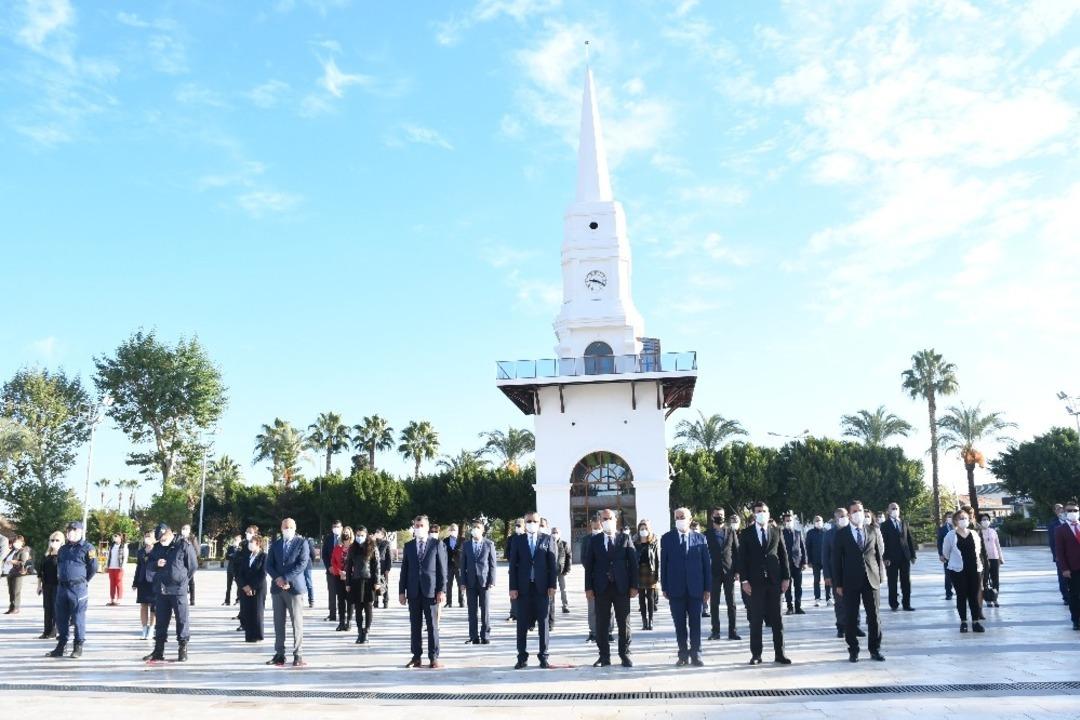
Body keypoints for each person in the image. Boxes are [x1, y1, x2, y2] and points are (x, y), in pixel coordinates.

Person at [738, 502, 791, 665]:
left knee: (777, 620)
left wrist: (786, 578)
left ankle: (780, 654)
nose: (762, 513)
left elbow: (783, 555)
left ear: (768, 513)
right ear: (754, 514)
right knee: (756, 620)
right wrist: (744, 580)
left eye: (764, 511)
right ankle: (756, 654)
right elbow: (742, 559)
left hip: (774, 581)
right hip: (755, 583)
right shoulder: (746, 533)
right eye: (758, 511)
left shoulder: (776, 531)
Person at [832, 500, 885, 662]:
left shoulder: (872, 530)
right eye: (854, 511)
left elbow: (877, 555)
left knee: (874, 616)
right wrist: (838, 584)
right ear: (849, 514)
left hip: (871, 579)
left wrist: (880, 576)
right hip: (850, 581)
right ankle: (853, 650)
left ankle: (874, 649)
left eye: (860, 510)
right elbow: (836, 561)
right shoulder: (841, 534)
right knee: (850, 616)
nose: (858, 513)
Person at [583, 508, 637, 668]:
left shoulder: (625, 538)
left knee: (624, 623)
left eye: (610, 518)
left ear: (616, 520)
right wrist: (588, 588)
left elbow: (633, 564)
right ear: (600, 521)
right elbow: (589, 566)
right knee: (602, 623)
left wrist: (634, 585)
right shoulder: (594, 541)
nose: (607, 521)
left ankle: (624, 654)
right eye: (604, 519)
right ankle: (604, 656)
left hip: (622, 588)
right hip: (601, 588)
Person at [661, 507, 711, 667]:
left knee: (695, 623)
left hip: (696, 589)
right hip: (676, 589)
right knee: (680, 625)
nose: (680, 519)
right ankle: (683, 655)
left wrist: (707, 588)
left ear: (690, 519)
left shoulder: (701, 538)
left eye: (683, 517)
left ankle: (696, 654)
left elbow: (706, 566)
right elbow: (664, 564)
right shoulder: (667, 538)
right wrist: (664, 586)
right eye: (677, 517)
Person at [508, 511, 557, 669]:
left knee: (543, 624)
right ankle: (522, 657)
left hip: (542, 588)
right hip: (523, 589)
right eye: (528, 521)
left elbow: (552, 566)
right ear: (524, 522)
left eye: (534, 521)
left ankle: (544, 656)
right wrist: (513, 587)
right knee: (522, 624)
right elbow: (513, 566)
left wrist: (552, 585)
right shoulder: (517, 540)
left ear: (539, 522)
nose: (531, 524)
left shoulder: (547, 539)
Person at [143, 523, 198, 662]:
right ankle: (158, 650)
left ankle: (183, 648)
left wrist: (182, 580)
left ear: (169, 533)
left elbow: (192, 566)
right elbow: (148, 565)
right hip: (161, 590)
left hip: (178, 590)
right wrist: (156, 564)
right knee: (161, 621)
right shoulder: (157, 548)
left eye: (163, 537)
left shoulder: (183, 545)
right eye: (159, 539)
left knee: (182, 619)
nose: (162, 540)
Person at [399, 515, 447, 668]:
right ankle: (416, 656)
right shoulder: (409, 546)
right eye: (416, 525)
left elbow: (442, 570)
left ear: (427, 527)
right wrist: (402, 591)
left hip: (431, 591)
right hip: (413, 592)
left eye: (421, 525)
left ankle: (433, 657)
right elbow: (404, 570)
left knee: (432, 625)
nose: (418, 528)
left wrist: (441, 590)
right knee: (415, 625)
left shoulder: (436, 544)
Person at [48, 520, 97, 659]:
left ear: (80, 532)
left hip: (78, 588)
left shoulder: (88, 548)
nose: (70, 532)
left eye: (74, 530)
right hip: (62, 588)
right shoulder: (63, 549)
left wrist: (83, 581)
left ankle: (78, 646)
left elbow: (93, 568)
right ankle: (61, 645)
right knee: (61, 618)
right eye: (69, 530)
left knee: (78, 618)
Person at [266, 518, 310, 667]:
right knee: (278, 623)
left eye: (290, 527)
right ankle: (279, 654)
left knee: (297, 623)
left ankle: (298, 655)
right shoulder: (276, 544)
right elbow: (269, 565)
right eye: (285, 527)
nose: (288, 529)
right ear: (281, 528)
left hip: (294, 588)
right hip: (277, 589)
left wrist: (286, 578)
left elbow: (302, 563)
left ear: (295, 528)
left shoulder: (301, 543)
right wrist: (278, 579)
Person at [941, 509, 985, 633]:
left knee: (973, 595)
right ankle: (963, 622)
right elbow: (946, 553)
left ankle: (976, 622)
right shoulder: (950, 535)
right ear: (955, 521)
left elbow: (979, 550)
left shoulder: (974, 534)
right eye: (960, 518)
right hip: (957, 570)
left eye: (965, 518)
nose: (963, 520)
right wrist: (956, 561)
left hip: (974, 569)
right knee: (961, 596)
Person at [822, 508, 862, 639]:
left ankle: (856, 626)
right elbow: (825, 555)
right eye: (839, 517)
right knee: (839, 602)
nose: (843, 518)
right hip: (836, 574)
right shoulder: (829, 534)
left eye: (844, 515)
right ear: (835, 519)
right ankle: (841, 627)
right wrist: (827, 575)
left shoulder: (853, 531)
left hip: (852, 572)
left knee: (855, 600)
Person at [704, 507, 740, 641]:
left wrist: (737, 571)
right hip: (713, 572)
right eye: (717, 515)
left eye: (721, 515)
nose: (719, 516)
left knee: (731, 603)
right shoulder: (706, 534)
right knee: (714, 603)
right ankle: (715, 632)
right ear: (712, 517)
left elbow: (736, 552)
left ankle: (733, 632)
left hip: (729, 571)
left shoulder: (731, 532)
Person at [460, 519, 496, 645]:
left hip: (484, 582)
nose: (475, 529)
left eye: (478, 527)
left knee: (485, 610)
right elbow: (462, 564)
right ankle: (473, 636)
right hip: (470, 582)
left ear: (483, 530)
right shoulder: (466, 545)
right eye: (473, 527)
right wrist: (462, 582)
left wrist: (492, 580)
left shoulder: (489, 544)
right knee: (472, 610)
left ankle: (485, 635)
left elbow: (492, 564)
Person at [345, 526, 381, 644]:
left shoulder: (372, 547)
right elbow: (348, 566)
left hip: (369, 580)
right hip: (356, 581)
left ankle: (366, 631)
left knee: (368, 607)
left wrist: (377, 582)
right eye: (358, 535)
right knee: (358, 608)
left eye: (362, 535)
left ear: (366, 535)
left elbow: (377, 566)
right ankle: (359, 632)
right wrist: (348, 583)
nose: (359, 537)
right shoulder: (352, 548)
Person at [880, 502, 917, 612]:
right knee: (892, 582)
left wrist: (913, 555)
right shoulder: (885, 525)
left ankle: (907, 604)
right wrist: (885, 557)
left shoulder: (903, 523)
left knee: (906, 581)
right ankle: (894, 604)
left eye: (896, 508)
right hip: (891, 559)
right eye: (892, 508)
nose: (895, 510)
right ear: (888, 511)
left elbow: (909, 539)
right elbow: (883, 543)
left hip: (904, 557)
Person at [1054, 501, 1080, 630]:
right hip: (1072, 568)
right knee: (1075, 595)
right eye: (1069, 511)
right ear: (1065, 512)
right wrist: (1064, 568)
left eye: (1075, 510)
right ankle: (1076, 620)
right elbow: (1060, 551)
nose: (1072, 513)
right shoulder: (1060, 530)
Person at [236, 532, 267, 643]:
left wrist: (252, 586)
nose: (250, 544)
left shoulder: (264, 556)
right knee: (247, 611)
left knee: (257, 612)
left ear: (258, 544)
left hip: (258, 588)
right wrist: (244, 586)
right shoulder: (246, 556)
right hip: (245, 588)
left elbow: (262, 574)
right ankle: (249, 635)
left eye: (252, 542)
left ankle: (257, 635)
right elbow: (240, 574)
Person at [634, 519, 660, 631]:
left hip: (650, 571)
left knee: (650, 597)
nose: (643, 531)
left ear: (649, 530)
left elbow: (657, 559)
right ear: (638, 530)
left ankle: (651, 621)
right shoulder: (635, 542)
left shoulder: (654, 541)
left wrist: (658, 575)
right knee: (641, 598)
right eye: (641, 529)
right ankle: (644, 621)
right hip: (639, 571)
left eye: (645, 529)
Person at [37, 531, 62, 639]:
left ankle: (54, 631)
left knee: (55, 608)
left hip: (58, 585)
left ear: (62, 542)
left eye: (57, 540)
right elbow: (40, 571)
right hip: (46, 585)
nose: (54, 542)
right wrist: (39, 585)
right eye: (52, 540)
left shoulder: (62, 556)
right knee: (47, 608)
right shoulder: (46, 555)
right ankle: (46, 631)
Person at [781, 512, 806, 615]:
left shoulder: (798, 533)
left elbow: (803, 548)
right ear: (784, 522)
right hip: (786, 564)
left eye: (790, 520)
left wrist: (804, 562)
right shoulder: (781, 533)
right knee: (788, 587)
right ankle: (789, 607)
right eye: (787, 520)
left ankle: (798, 606)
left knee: (798, 587)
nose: (789, 522)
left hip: (797, 563)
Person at [132, 530, 157, 640]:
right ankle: (144, 628)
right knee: (143, 606)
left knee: (153, 607)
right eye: (146, 536)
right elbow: (138, 567)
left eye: (149, 536)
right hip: (142, 581)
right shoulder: (141, 551)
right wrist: (135, 582)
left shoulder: (158, 550)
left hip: (154, 581)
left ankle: (151, 629)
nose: (147, 538)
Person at [331, 526, 354, 632]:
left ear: (351, 534)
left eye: (347, 532)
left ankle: (349, 621)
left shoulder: (354, 547)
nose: (345, 534)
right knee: (340, 600)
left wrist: (348, 572)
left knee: (349, 600)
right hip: (338, 576)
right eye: (344, 532)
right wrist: (339, 571)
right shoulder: (337, 547)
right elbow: (333, 561)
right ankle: (341, 622)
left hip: (351, 577)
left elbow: (357, 562)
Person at [978, 514, 1003, 607]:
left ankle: (995, 598)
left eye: (987, 519)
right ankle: (987, 599)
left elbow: (998, 545)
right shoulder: (978, 532)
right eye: (983, 519)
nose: (985, 521)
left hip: (994, 557)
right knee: (985, 580)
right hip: (984, 559)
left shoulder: (993, 531)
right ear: (980, 521)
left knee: (995, 579)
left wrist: (1001, 557)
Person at [4, 534, 32, 614]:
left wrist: (15, 562)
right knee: (11, 591)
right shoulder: (12, 550)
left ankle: (16, 608)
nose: (15, 543)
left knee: (16, 591)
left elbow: (24, 562)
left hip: (17, 573)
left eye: (17, 542)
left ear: (22, 542)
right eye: (14, 541)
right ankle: (11, 607)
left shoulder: (23, 551)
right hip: (10, 572)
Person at [805, 516, 829, 607]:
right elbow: (808, 547)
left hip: (826, 560)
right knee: (816, 580)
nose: (818, 522)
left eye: (820, 521)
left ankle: (828, 598)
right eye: (816, 521)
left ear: (823, 521)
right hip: (815, 560)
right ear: (813, 522)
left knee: (828, 579)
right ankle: (817, 598)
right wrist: (809, 560)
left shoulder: (826, 531)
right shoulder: (810, 533)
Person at [322, 520, 343, 622]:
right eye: (334, 526)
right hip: (331, 571)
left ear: (341, 527)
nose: (336, 528)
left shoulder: (345, 538)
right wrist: (328, 567)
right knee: (331, 593)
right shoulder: (328, 539)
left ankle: (343, 614)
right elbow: (324, 554)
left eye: (338, 526)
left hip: (342, 572)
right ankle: (332, 614)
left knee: (342, 593)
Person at [505, 517, 525, 622]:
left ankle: (524, 613)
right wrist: (514, 560)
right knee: (512, 592)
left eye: (519, 525)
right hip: (513, 569)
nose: (517, 527)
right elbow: (507, 553)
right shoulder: (511, 538)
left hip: (524, 569)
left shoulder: (527, 537)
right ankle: (513, 613)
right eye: (516, 525)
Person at [1049, 503, 1069, 605]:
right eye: (1058, 509)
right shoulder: (1053, 524)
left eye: (1061, 508)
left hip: (1072, 554)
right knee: (1062, 577)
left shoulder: (1070, 521)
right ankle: (1066, 597)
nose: (1060, 510)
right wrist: (1055, 555)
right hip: (1060, 555)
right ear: (1055, 511)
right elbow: (1052, 541)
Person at [552, 527, 572, 615]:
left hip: (561, 571)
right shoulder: (549, 543)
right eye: (553, 532)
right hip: (551, 572)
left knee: (563, 590)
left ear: (559, 533)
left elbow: (569, 557)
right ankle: (550, 606)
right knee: (551, 590)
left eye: (556, 532)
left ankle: (565, 606)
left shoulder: (564, 544)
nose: (554, 534)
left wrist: (567, 569)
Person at [105, 533, 128, 607]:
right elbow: (108, 557)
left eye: (116, 536)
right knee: (112, 583)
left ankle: (119, 598)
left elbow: (125, 557)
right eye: (114, 537)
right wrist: (106, 566)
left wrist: (123, 566)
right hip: (111, 567)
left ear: (120, 538)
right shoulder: (111, 546)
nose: (115, 538)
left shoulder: (124, 546)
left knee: (118, 582)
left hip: (119, 567)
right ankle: (112, 599)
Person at [443, 524, 463, 608]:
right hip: (448, 565)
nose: (452, 531)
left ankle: (461, 602)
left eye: (454, 529)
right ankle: (448, 602)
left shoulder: (462, 540)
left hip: (459, 565)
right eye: (451, 529)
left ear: (457, 530)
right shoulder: (445, 540)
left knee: (461, 584)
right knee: (448, 585)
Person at [937, 513, 954, 600]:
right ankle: (948, 593)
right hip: (946, 555)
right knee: (948, 575)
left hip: (958, 555)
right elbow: (939, 543)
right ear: (946, 518)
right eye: (949, 517)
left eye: (952, 517)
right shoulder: (942, 529)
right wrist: (940, 554)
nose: (951, 518)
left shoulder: (958, 528)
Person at [178, 524, 196, 605]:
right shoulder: (178, 538)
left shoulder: (192, 539)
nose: (184, 530)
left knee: (191, 581)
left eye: (186, 529)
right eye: (183, 528)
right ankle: (182, 598)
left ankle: (192, 599)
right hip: (181, 564)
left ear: (189, 530)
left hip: (189, 563)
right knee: (181, 581)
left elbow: (197, 550)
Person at [375, 528, 392, 609]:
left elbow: (389, 557)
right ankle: (375, 601)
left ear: (383, 534)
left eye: (379, 533)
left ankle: (385, 601)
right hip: (374, 567)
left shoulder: (386, 543)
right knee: (374, 583)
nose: (377, 533)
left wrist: (388, 569)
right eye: (376, 532)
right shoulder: (373, 543)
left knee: (384, 584)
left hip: (383, 567)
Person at [223, 534, 242, 606]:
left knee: (239, 585)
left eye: (237, 540)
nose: (235, 541)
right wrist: (233, 556)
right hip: (230, 569)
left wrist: (233, 556)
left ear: (240, 540)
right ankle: (227, 600)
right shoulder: (230, 547)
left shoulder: (241, 548)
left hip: (237, 569)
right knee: (228, 586)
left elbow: (239, 558)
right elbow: (227, 557)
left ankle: (238, 599)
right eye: (235, 539)